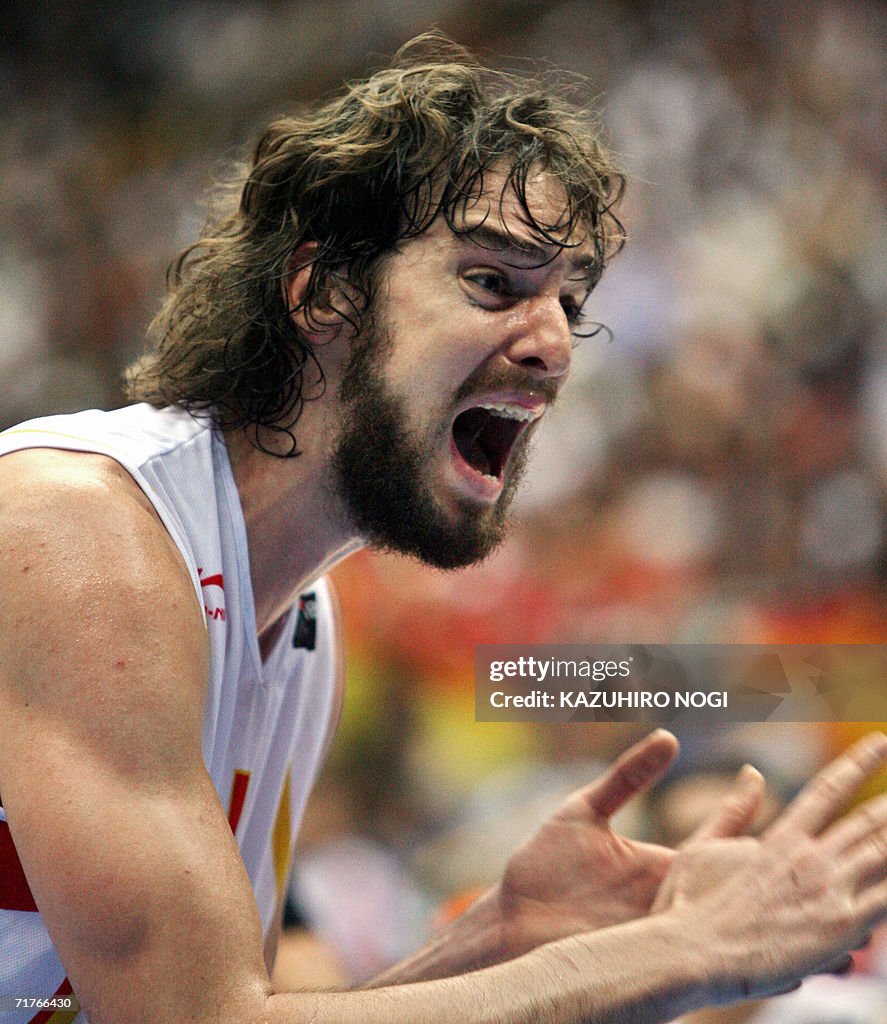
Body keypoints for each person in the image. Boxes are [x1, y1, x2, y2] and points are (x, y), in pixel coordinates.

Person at [0, 32, 886, 1024]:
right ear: (322, 290)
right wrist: (684, 952)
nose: (553, 343)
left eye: (568, 300)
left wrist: (496, 940)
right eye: (491, 282)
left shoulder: (300, 622)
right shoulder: (82, 530)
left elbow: (236, 1009)